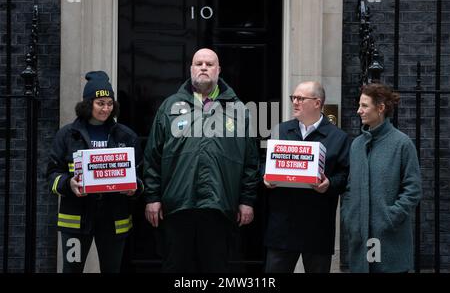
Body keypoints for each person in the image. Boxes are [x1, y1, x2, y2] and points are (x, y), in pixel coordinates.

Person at [143, 48, 260, 272]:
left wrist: (247, 200)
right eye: (199, 64)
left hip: (220, 207)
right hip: (177, 206)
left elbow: (250, 161)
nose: (204, 68)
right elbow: (152, 156)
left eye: (209, 64)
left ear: (218, 70)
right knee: (176, 268)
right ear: (191, 69)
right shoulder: (169, 107)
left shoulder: (238, 110)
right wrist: (152, 197)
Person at [47, 71, 143, 273]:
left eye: (110, 103)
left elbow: (142, 176)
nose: (106, 108)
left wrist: (134, 188)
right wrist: (68, 184)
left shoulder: (126, 136)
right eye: (100, 103)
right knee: (71, 270)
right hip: (75, 220)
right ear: (88, 103)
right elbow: (51, 175)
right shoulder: (67, 135)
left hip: (114, 219)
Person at [263, 81, 351, 273]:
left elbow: (345, 176)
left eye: (301, 98)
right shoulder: (281, 130)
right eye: (293, 97)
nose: (295, 102)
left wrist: (330, 184)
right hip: (283, 225)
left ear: (317, 103)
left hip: (317, 226)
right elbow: (264, 162)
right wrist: (265, 176)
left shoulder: (338, 137)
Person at [341, 83, 422, 273]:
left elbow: (413, 189)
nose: (358, 110)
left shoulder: (402, 143)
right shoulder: (357, 145)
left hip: (389, 238)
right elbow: (350, 187)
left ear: (381, 108)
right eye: (359, 105)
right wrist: (349, 217)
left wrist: (389, 218)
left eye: (364, 105)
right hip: (361, 238)